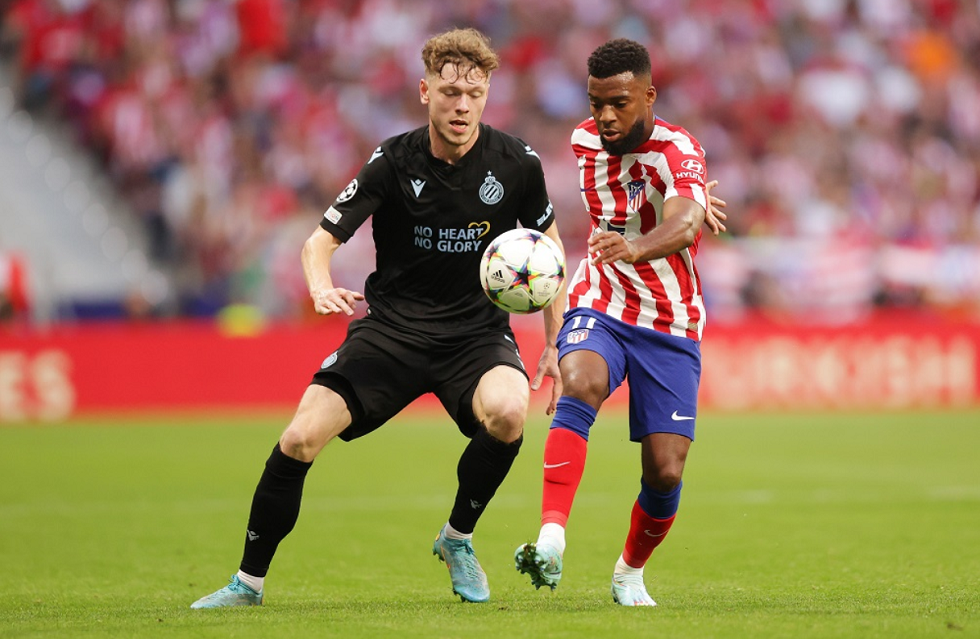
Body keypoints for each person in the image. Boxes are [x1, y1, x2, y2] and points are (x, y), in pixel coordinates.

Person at [190, 27, 565, 608]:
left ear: (487, 94)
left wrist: (554, 343)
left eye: (474, 94)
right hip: (391, 331)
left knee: (510, 413)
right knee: (299, 437)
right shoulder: (392, 161)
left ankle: (456, 538)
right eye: (450, 93)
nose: (462, 106)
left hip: (475, 337)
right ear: (425, 91)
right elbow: (319, 242)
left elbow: (549, 254)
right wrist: (320, 288)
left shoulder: (517, 163)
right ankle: (247, 584)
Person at [514, 38, 727, 607]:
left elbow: (685, 223)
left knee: (665, 469)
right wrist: (660, 214)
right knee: (579, 380)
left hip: (670, 319)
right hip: (601, 300)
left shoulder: (679, 149)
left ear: (649, 96)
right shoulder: (583, 141)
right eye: (596, 103)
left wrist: (652, 232)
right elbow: (638, 201)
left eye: (620, 103)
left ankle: (629, 572)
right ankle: (551, 538)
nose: (605, 116)